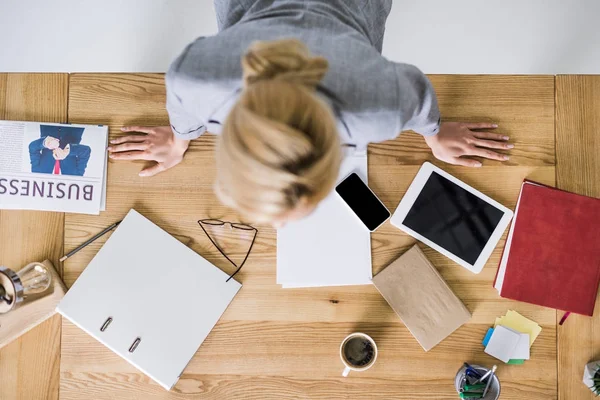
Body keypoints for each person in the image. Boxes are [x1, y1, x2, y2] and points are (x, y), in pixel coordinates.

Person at [108, 0, 513, 227]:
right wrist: (180, 138)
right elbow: (417, 92)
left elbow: (416, 92)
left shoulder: (377, 106)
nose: (281, 228)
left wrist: (434, 132)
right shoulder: (195, 77)